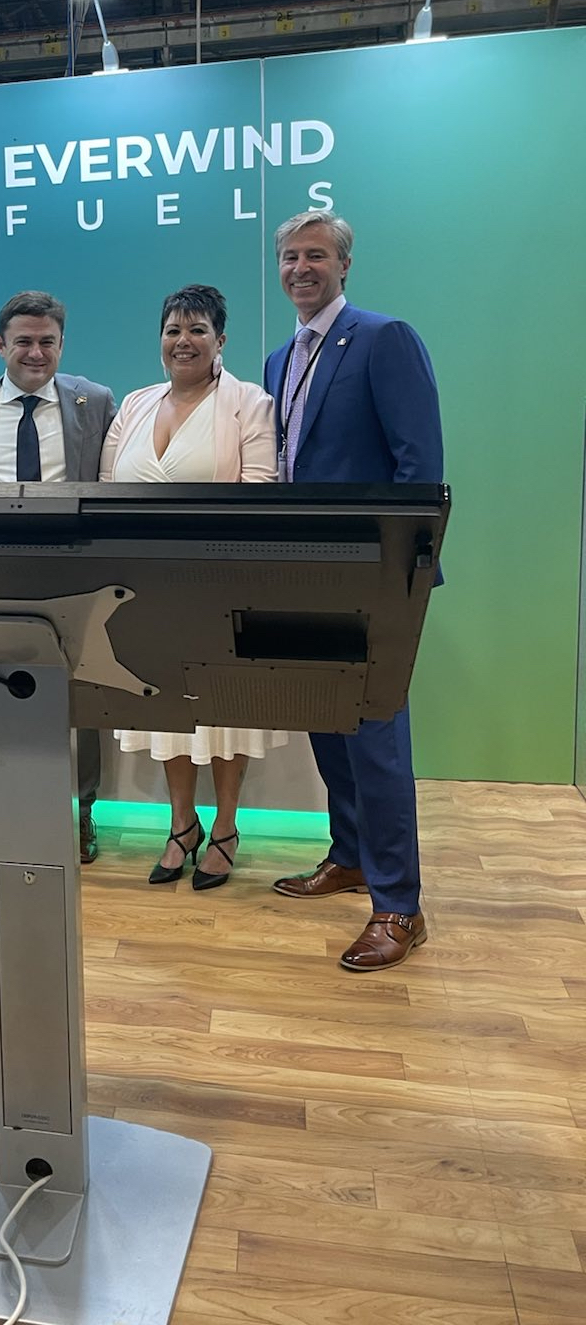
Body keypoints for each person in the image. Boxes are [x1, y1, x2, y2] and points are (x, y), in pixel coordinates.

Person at [266, 210, 443, 971]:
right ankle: (351, 856)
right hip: (302, 576)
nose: (300, 268)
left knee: (374, 736)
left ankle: (400, 906)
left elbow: (420, 468)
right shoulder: (280, 359)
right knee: (324, 721)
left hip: (373, 581)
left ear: (344, 266)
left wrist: (406, 578)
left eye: (315, 255)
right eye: (289, 257)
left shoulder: (383, 338)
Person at [100, 284, 285, 889]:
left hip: (220, 585)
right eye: (173, 330)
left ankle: (227, 827)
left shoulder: (248, 403)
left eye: (197, 330)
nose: (184, 341)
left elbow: (259, 492)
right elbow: (105, 492)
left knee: (224, 712)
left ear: (220, 340)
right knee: (166, 712)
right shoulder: (134, 403)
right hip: (144, 589)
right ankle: (182, 825)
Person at [0, 290, 117, 863]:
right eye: (24, 341)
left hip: (72, 571)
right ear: (0, 345)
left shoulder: (95, 402)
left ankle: (83, 808)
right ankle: (8, 804)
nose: (36, 353)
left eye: (47, 342)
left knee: (81, 691)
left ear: (61, 344)